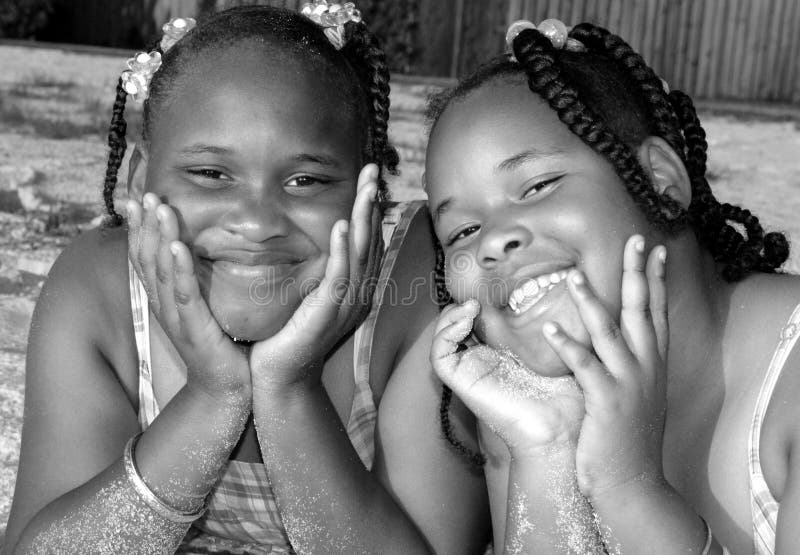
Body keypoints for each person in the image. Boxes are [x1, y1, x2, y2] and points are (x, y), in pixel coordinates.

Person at [2, 4, 490, 553]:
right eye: (211, 174)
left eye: (306, 180)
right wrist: (213, 396)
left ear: (368, 194)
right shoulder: (97, 290)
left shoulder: (425, 283)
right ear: (140, 181)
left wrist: (289, 387)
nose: (257, 224)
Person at [424, 18, 800, 555]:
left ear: (659, 179)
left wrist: (629, 490)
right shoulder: (530, 406)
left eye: (537, 185)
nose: (492, 242)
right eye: (461, 231)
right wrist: (546, 453)